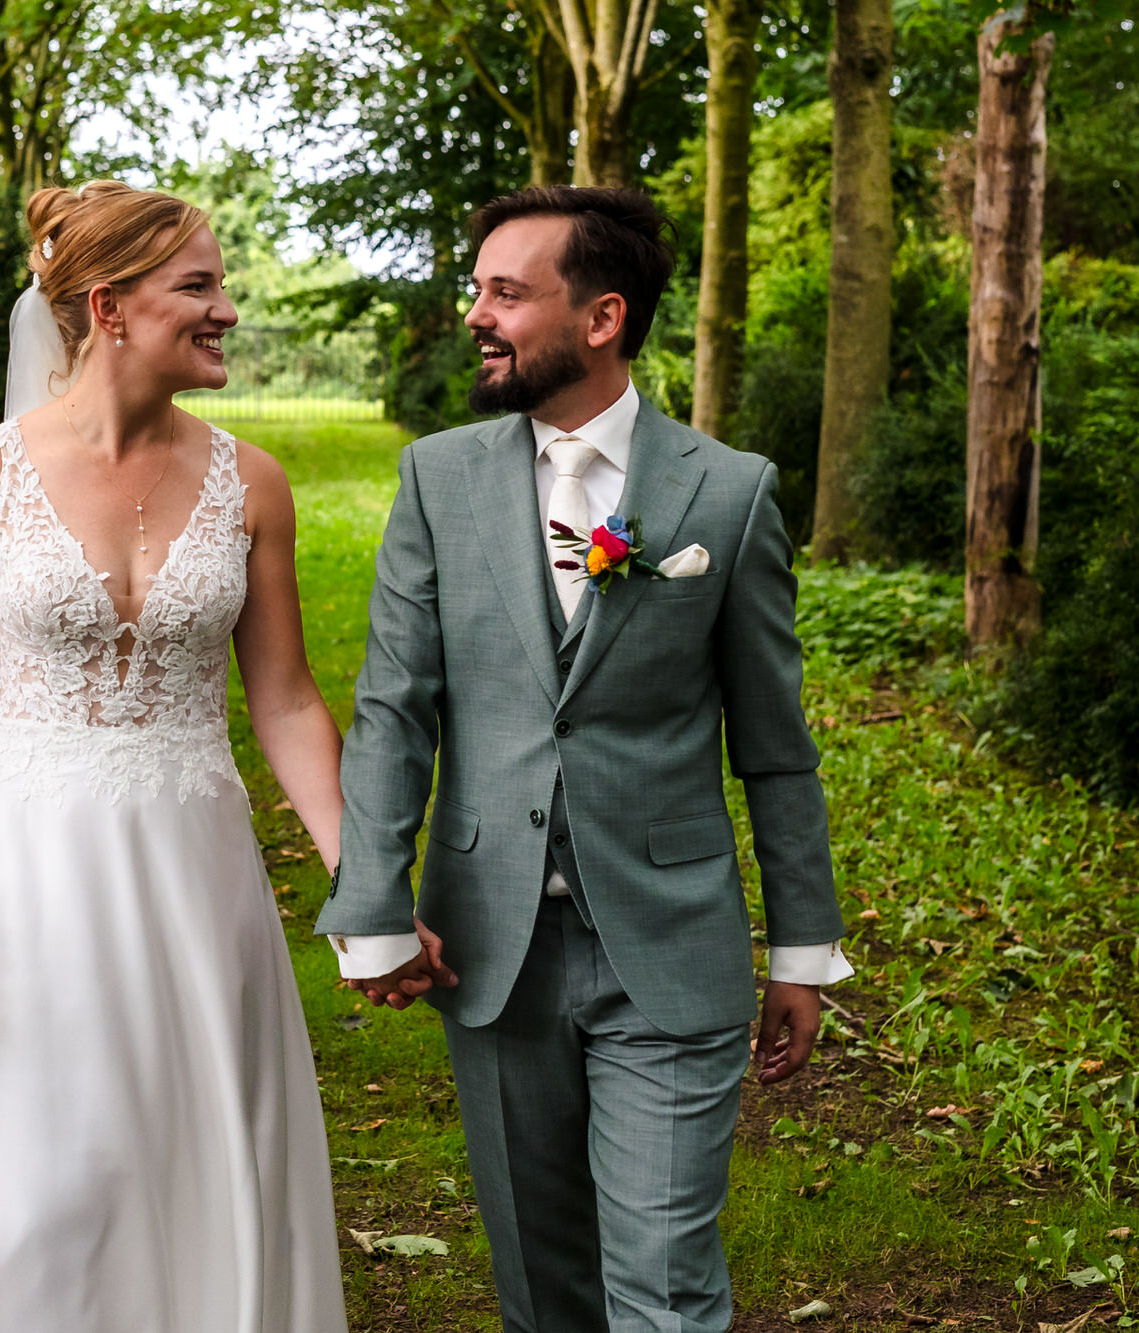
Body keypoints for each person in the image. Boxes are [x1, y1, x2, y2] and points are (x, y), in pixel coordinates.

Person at [314, 185, 854, 1333]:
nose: (476, 314)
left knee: (662, 1282)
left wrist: (803, 947)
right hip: (491, 950)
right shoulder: (437, 478)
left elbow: (774, 749)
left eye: (506, 293)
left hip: (666, 942)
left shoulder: (728, 490)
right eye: (477, 288)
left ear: (600, 317)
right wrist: (371, 901)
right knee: (541, 1289)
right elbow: (392, 709)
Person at [0, 181, 349, 1333]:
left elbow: (280, 700)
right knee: (44, 1178)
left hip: (194, 869)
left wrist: (358, 872)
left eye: (220, 284)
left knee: (198, 1147)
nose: (226, 308)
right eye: (200, 286)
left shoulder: (252, 483)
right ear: (108, 306)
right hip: (27, 874)